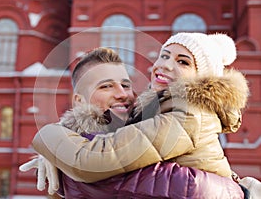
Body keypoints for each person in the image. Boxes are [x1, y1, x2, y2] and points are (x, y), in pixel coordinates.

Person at [24, 44, 248, 198]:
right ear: (79, 100)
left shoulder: (170, 121)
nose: (123, 93)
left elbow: (192, 187)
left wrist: (52, 140)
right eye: (106, 86)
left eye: (126, 84)